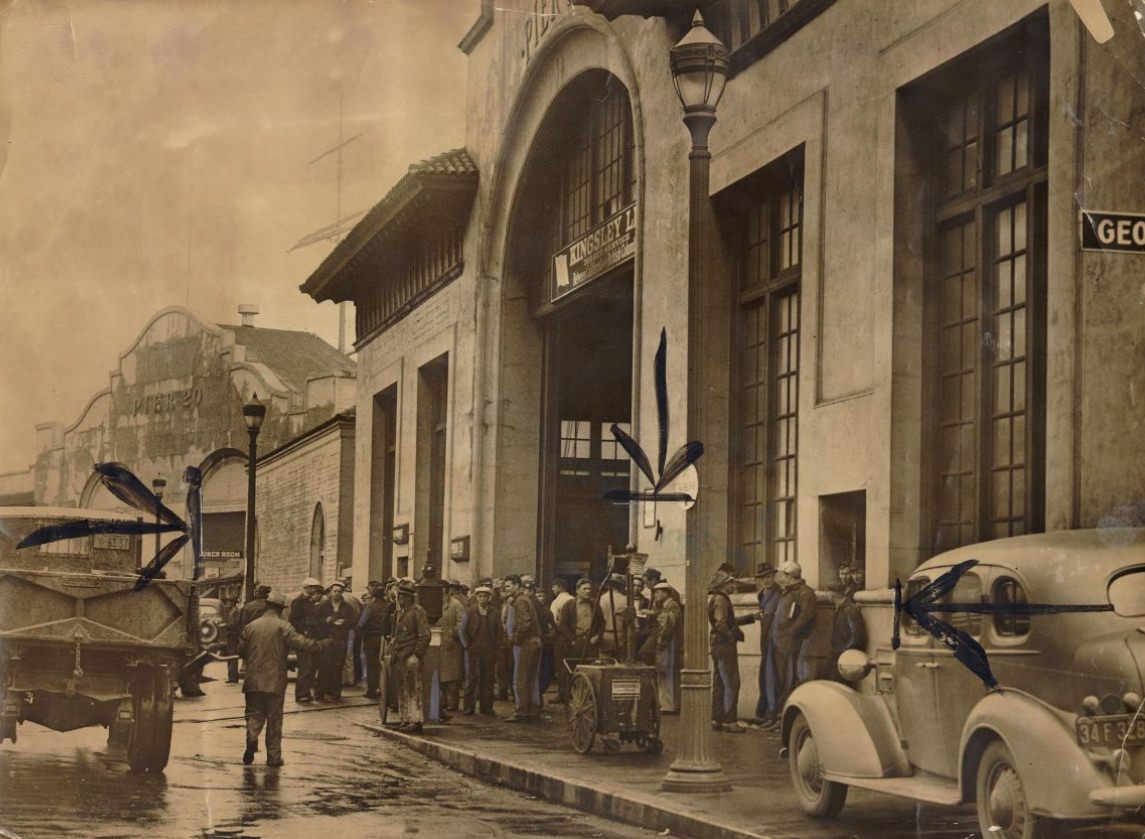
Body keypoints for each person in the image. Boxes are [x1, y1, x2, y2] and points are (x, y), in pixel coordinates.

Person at [238, 591, 327, 767]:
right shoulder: (283, 626)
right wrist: (321, 645)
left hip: (253, 679)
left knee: (254, 713)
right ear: (280, 609)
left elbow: (241, 650)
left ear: (266, 606)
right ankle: (273, 758)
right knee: (274, 719)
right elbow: (300, 643)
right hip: (275, 680)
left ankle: (252, 735)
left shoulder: (251, 626)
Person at [774, 560, 818, 710]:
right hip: (782, 643)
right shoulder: (787, 591)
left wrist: (791, 632)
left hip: (795, 642)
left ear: (789, 575)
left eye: (782, 574)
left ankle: (786, 713)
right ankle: (779, 713)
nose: (780, 577)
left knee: (791, 678)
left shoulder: (805, 592)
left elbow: (807, 615)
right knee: (782, 678)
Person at [390, 580, 431, 733]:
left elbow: (424, 635)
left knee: (414, 688)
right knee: (402, 688)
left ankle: (416, 719)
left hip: (410, 655)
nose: (399, 599)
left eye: (401, 596)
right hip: (400, 655)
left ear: (408, 598)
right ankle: (405, 718)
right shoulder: (400, 613)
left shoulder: (418, 611)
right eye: (399, 596)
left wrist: (416, 654)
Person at [554, 578, 604, 703]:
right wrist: (572, 640)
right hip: (574, 644)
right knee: (571, 671)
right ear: (577, 591)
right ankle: (570, 698)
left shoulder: (595, 604)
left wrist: (597, 636)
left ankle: (587, 697)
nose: (588, 591)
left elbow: (602, 623)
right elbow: (563, 625)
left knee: (589, 672)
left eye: (589, 589)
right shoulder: (569, 605)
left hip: (590, 643)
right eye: (584, 589)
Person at [708, 567, 744, 733]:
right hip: (724, 646)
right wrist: (731, 637)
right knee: (731, 682)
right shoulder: (721, 600)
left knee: (720, 682)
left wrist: (750, 618)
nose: (733, 584)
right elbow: (721, 623)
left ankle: (717, 719)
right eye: (731, 582)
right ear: (724, 584)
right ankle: (730, 720)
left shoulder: (717, 599)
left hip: (717, 645)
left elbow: (726, 621)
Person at [459, 584, 503, 715]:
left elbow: (500, 631)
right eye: (480, 596)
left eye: (485, 596)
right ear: (476, 598)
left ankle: (486, 707)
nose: (482, 599)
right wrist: (466, 645)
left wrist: (496, 646)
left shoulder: (494, 612)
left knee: (488, 679)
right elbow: (462, 630)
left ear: (489, 597)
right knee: (471, 678)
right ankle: (469, 707)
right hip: (473, 649)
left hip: (489, 650)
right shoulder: (470, 611)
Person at [504, 573, 542, 722]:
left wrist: (516, 639)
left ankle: (522, 711)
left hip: (525, 643)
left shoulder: (519, 601)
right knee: (531, 678)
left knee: (520, 678)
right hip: (535, 642)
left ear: (516, 586)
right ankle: (533, 709)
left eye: (508, 586)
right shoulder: (526, 599)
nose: (506, 589)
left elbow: (525, 623)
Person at [640, 581, 682, 712]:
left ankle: (668, 704)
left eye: (657, 593)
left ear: (665, 593)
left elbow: (667, 627)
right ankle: (666, 703)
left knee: (665, 671)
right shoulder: (667, 605)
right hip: (668, 641)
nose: (655, 595)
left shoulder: (671, 605)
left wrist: (660, 645)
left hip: (668, 642)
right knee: (664, 671)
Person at [752, 563, 781, 727]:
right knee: (765, 677)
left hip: (775, 641)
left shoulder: (780, 593)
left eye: (769, 576)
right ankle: (765, 713)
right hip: (765, 641)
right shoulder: (762, 594)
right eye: (763, 578)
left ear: (774, 576)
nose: (766, 580)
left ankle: (772, 713)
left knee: (772, 678)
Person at [289, 577, 326, 703]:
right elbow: (294, 620)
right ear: (306, 588)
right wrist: (304, 631)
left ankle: (306, 691)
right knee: (305, 666)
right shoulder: (298, 602)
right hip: (303, 639)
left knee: (312, 666)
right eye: (312, 587)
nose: (314, 590)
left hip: (313, 637)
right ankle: (301, 693)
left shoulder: (311, 602)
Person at [317, 581, 355, 701]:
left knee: (337, 667)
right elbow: (317, 620)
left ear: (342, 593)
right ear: (331, 592)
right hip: (327, 638)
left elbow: (354, 621)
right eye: (335, 591)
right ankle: (321, 692)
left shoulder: (347, 607)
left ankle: (335, 692)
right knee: (324, 666)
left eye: (339, 591)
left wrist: (345, 622)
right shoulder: (324, 606)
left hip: (341, 639)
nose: (337, 594)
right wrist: (325, 620)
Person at [829, 563, 866, 682]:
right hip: (840, 647)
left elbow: (857, 635)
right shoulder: (842, 604)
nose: (844, 577)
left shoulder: (850, 608)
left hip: (846, 649)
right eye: (842, 574)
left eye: (847, 573)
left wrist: (844, 649)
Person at [358, 581, 392, 700]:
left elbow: (362, 623)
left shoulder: (370, 606)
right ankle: (385, 689)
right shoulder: (388, 605)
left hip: (371, 638)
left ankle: (372, 690)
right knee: (384, 664)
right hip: (385, 638)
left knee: (372, 665)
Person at [438, 580, 467, 715]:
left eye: (445, 589)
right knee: (440, 675)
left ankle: (452, 703)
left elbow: (462, 622)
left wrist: (453, 633)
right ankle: (442, 702)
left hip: (452, 645)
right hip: (438, 643)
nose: (443, 591)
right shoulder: (435, 604)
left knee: (453, 677)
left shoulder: (456, 605)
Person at [219, 592, 241, 684]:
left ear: (234, 602)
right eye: (227, 601)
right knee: (230, 656)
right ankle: (232, 676)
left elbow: (233, 624)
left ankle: (233, 677)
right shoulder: (232, 610)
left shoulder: (235, 611)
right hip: (230, 635)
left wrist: (224, 625)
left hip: (233, 636)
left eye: (230, 601)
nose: (227, 602)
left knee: (232, 656)